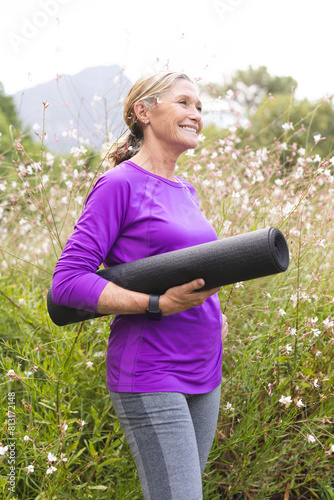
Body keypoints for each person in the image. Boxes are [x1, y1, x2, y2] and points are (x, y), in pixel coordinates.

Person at [51, 71, 229, 500]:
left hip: (205, 369)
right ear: (143, 112)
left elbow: (191, 266)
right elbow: (68, 283)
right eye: (184, 102)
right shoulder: (120, 184)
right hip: (152, 369)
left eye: (199, 107)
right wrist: (157, 304)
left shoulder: (186, 190)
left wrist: (217, 315)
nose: (196, 114)